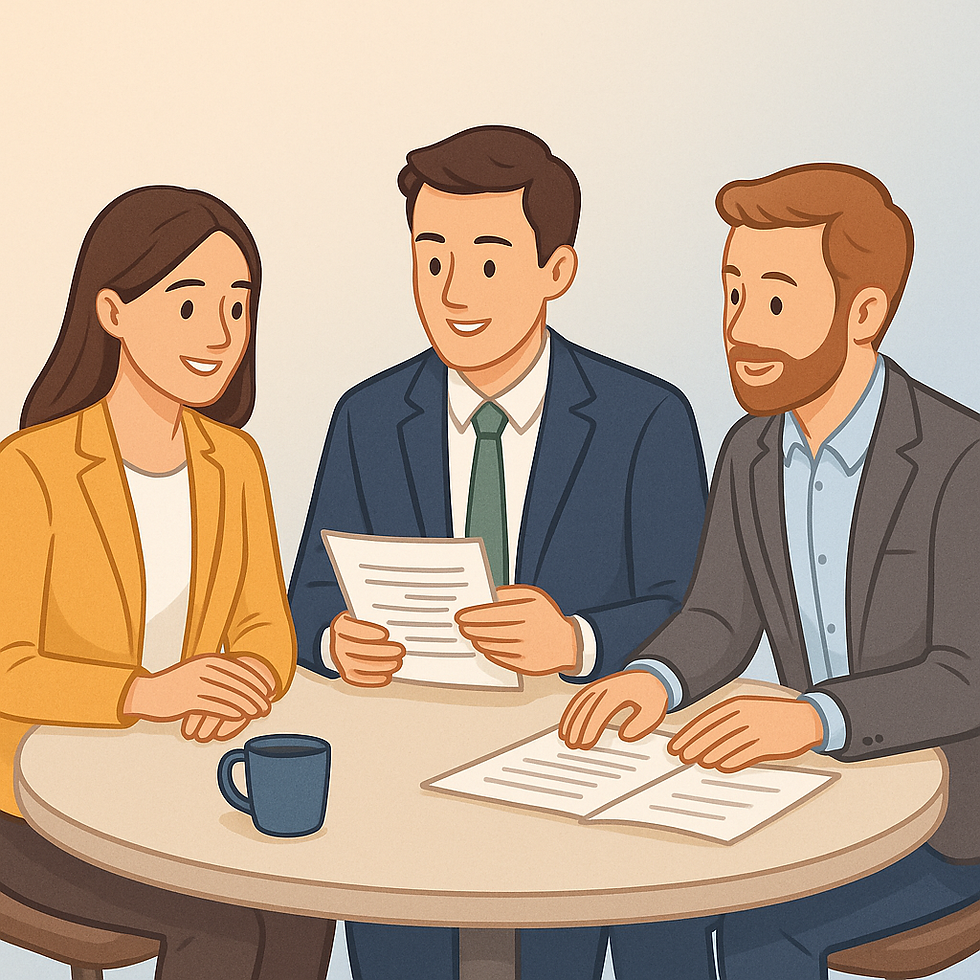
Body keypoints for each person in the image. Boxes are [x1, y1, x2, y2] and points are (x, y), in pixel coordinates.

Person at [288, 126, 708, 980]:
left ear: (558, 272)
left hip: (581, 769)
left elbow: (694, 610)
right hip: (405, 773)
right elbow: (305, 594)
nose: (452, 291)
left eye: (487, 261)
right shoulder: (366, 417)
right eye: (429, 257)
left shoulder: (645, 418)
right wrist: (335, 640)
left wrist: (579, 641)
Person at [560, 163, 980, 980]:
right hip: (805, 793)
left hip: (947, 821)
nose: (741, 327)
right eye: (732, 294)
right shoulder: (749, 451)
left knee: (762, 932)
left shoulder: (959, 459)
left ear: (865, 314)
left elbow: (967, 673)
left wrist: (815, 716)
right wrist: (655, 677)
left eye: (777, 301)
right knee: (653, 899)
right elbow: (719, 616)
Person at [0, 185, 335, 980]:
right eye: (188, 307)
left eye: (237, 306)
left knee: (305, 905)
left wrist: (243, 682)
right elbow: (7, 663)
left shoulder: (235, 464)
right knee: (222, 933)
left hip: (164, 789)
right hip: (27, 808)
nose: (219, 335)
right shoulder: (30, 469)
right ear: (112, 311)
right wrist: (149, 692)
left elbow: (266, 629)